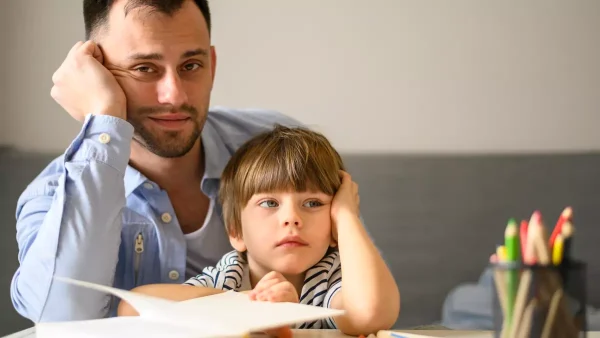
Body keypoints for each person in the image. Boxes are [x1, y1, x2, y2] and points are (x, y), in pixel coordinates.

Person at [11, 0, 307, 324]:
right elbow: (61, 318)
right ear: (97, 71)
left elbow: (357, 292)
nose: (174, 96)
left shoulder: (279, 148)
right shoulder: (53, 196)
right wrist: (103, 119)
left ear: (213, 65)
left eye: (191, 65)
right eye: (144, 69)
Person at [117, 125, 400, 335]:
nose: (292, 218)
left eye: (313, 203)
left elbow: (371, 314)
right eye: (270, 203)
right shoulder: (231, 277)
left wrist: (347, 216)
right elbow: (133, 310)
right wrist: (248, 303)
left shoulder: (330, 278)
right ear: (236, 231)